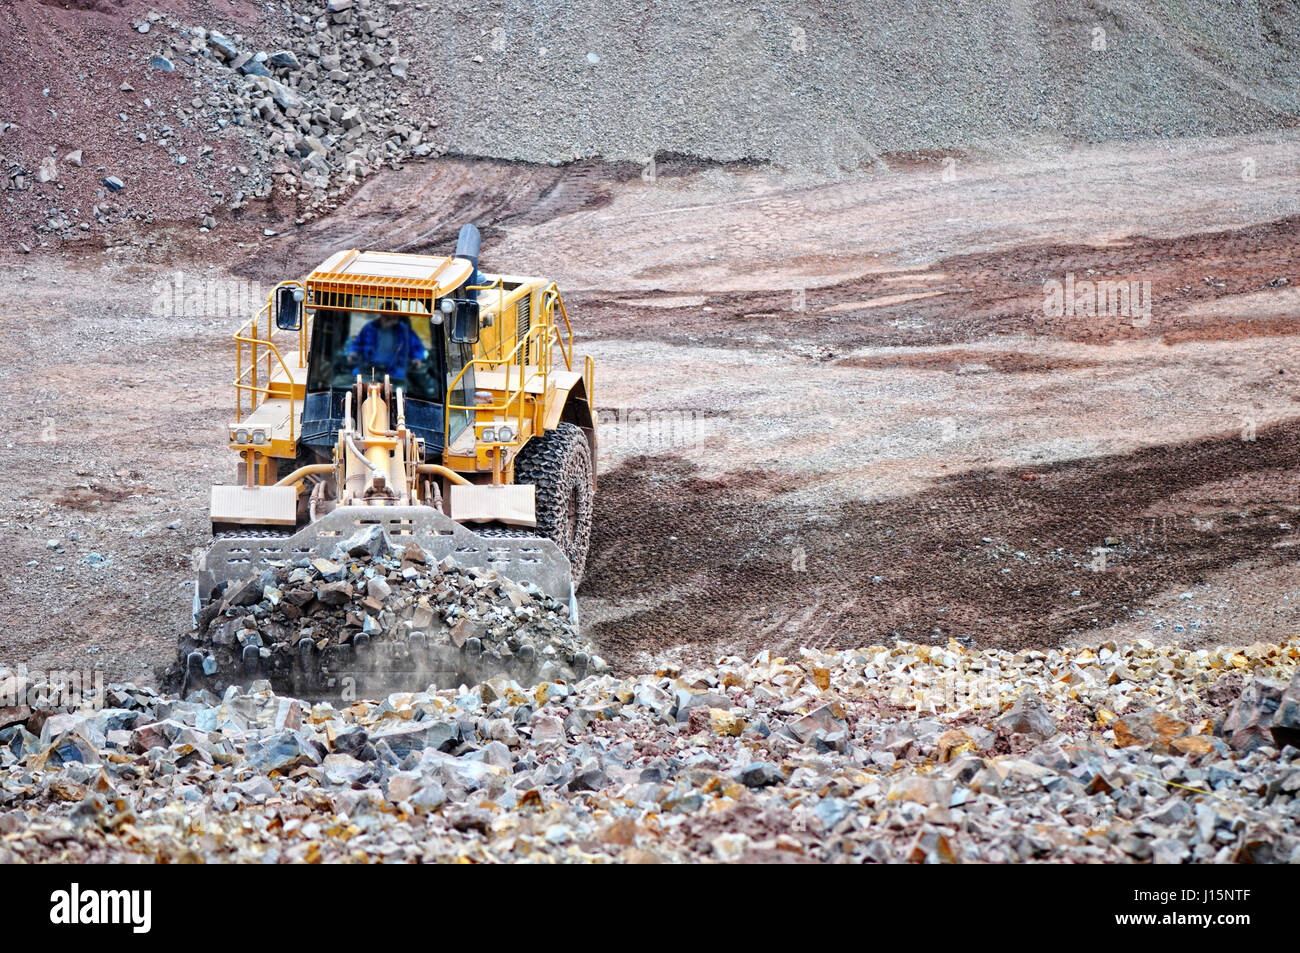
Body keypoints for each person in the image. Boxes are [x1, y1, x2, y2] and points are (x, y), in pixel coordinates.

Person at [347, 307, 427, 383]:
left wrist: (417, 358)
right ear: (381, 314)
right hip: (369, 369)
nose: (390, 320)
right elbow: (357, 344)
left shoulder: (404, 331)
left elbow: (417, 347)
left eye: (393, 317)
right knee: (355, 380)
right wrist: (353, 352)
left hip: (395, 371)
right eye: (387, 317)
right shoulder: (369, 328)